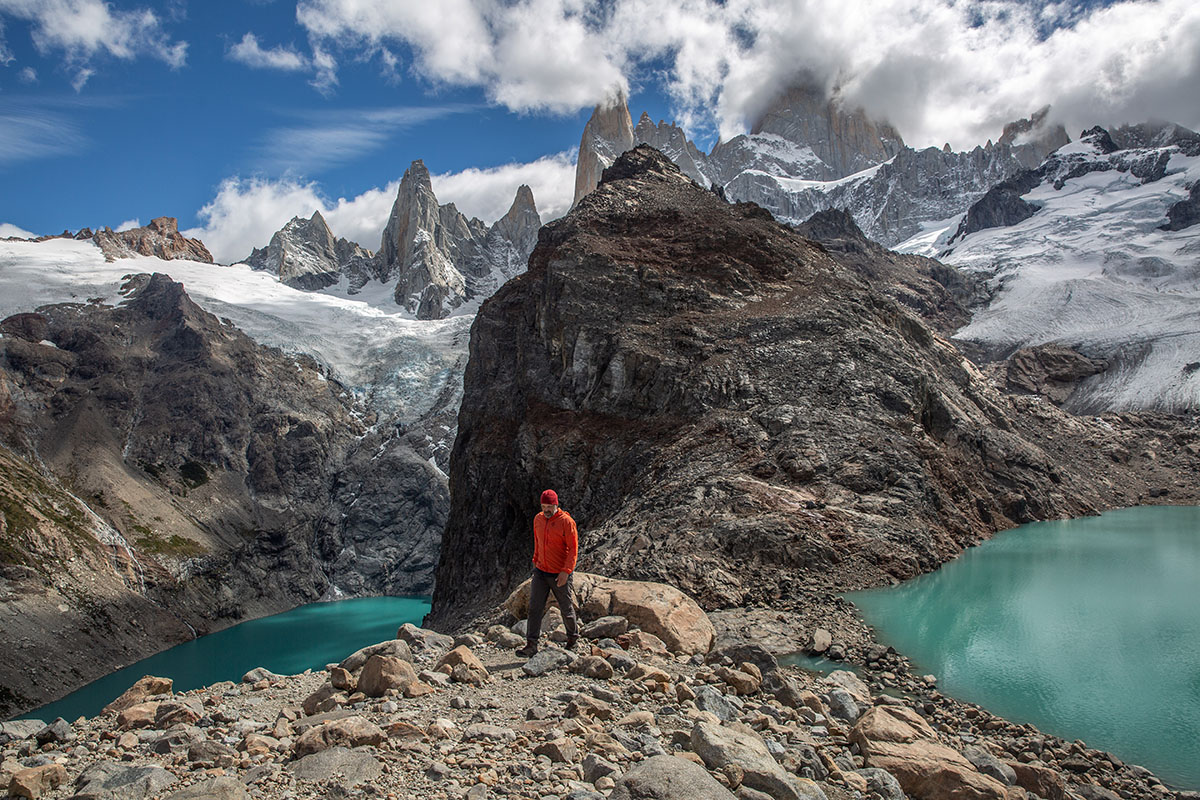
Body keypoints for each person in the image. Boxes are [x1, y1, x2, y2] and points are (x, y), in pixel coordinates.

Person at [516, 489, 579, 657]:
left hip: (559, 573)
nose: (546, 510)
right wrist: (535, 559)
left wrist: (566, 571)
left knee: (565, 607)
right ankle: (531, 644)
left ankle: (573, 638)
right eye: (543, 506)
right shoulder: (538, 519)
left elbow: (573, 549)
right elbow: (537, 541)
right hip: (541, 571)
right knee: (534, 608)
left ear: (556, 505)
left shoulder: (566, 522)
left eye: (549, 506)